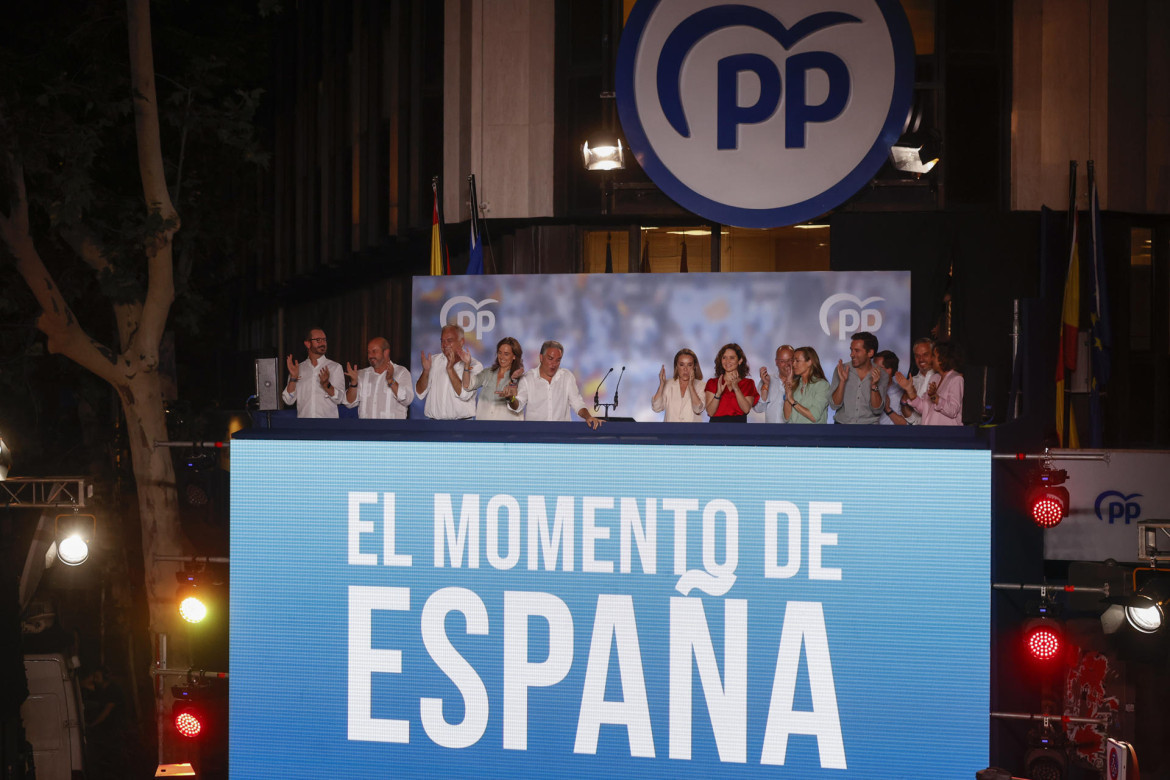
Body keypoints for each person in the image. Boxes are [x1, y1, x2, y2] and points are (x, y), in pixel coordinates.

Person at [510, 340, 605, 429]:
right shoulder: (528, 378)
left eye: (558, 360)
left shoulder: (567, 377)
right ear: (541, 358)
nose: (554, 364)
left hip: (562, 435)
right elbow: (517, 406)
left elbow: (577, 403)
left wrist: (588, 417)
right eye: (550, 359)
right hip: (536, 436)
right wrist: (511, 398)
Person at [415, 325, 483, 419]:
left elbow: (465, 394)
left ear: (461, 342)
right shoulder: (434, 361)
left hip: (462, 426)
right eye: (442, 341)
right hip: (433, 425)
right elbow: (419, 393)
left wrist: (450, 369)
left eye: (449, 340)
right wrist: (426, 372)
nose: (445, 344)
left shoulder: (475, 365)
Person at [343, 337, 414, 419]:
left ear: (386, 352)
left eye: (374, 351)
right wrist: (353, 384)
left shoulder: (401, 372)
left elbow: (407, 399)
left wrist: (391, 381)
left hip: (393, 430)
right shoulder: (361, 374)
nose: (370, 356)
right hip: (366, 430)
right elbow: (349, 403)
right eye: (368, 352)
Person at [282, 327, 344, 418]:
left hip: (328, 426)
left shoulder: (335, 367)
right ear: (307, 344)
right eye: (318, 340)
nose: (323, 343)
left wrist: (327, 385)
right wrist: (293, 378)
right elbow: (288, 400)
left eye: (324, 340)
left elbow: (340, 399)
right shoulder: (298, 369)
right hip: (304, 426)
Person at [900, 339, 964, 425]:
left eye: (933, 356)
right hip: (930, 433)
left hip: (948, 435)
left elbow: (953, 411)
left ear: (943, 358)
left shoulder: (956, 379)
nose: (931, 359)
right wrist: (910, 391)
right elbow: (925, 408)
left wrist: (935, 397)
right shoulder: (935, 378)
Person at [828, 330, 887, 424]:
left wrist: (874, 386)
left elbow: (877, 410)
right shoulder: (841, 369)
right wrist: (842, 382)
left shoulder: (882, 374)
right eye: (851, 350)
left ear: (870, 353)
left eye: (857, 351)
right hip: (842, 426)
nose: (851, 354)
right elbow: (834, 405)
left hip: (869, 429)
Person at [464, 336, 525, 420]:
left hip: (509, 430)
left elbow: (517, 406)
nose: (502, 357)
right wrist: (466, 365)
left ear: (514, 356)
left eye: (506, 354)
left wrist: (511, 397)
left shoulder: (521, 378)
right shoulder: (487, 373)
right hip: (484, 428)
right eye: (500, 353)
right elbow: (467, 386)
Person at [704, 343, 759, 422]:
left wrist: (736, 387)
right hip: (716, 428)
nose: (727, 361)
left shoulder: (748, 383)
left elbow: (746, 409)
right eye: (724, 358)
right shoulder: (712, 383)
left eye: (732, 358)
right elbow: (710, 412)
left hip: (739, 429)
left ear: (740, 360)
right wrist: (718, 394)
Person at [651, 348, 705, 422]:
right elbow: (656, 408)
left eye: (689, 365)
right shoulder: (668, 384)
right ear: (676, 366)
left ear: (694, 367)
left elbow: (698, 409)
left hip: (692, 432)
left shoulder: (702, 385)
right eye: (681, 365)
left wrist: (691, 386)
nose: (685, 369)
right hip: (670, 432)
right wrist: (661, 385)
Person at [783, 346, 831, 424]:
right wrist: (787, 396)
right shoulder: (795, 384)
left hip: (814, 435)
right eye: (793, 361)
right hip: (793, 434)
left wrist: (792, 400)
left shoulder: (822, 385)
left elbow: (814, 416)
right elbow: (787, 417)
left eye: (797, 361)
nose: (793, 364)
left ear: (809, 362)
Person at [898, 337, 938, 425]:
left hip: (938, 432)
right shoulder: (912, 381)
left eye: (925, 355)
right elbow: (913, 419)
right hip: (918, 432)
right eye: (917, 356)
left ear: (933, 355)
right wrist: (903, 402)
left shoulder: (940, 379)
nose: (921, 359)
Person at [756, 344, 795, 423]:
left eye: (790, 360)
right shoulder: (767, 379)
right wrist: (766, 385)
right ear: (776, 362)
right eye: (782, 361)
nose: (787, 364)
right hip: (770, 433)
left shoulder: (802, 382)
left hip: (793, 433)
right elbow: (758, 409)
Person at [874, 350, 908, 425]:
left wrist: (888, 409)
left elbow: (906, 424)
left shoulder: (901, 392)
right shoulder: (867, 389)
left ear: (889, 370)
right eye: (873, 367)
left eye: (878, 368)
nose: (873, 371)